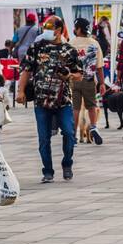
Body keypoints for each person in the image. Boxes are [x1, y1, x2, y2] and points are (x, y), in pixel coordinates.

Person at [17, 15, 78, 183]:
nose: (47, 31)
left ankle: (67, 163)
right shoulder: (36, 47)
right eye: (46, 27)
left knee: (69, 133)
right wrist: (20, 91)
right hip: (41, 100)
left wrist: (69, 75)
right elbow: (26, 71)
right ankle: (48, 171)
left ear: (59, 30)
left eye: (51, 27)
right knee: (44, 138)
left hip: (63, 100)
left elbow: (79, 74)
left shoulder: (69, 50)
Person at [69, 17, 104, 145]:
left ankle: (73, 134)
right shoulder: (94, 43)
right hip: (89, 79)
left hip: (74, 79)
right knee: (91, 106)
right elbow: (99, 65)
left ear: (78, 29)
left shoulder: (71, 43)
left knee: (75, 108)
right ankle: (93, 126)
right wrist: (102, 84)